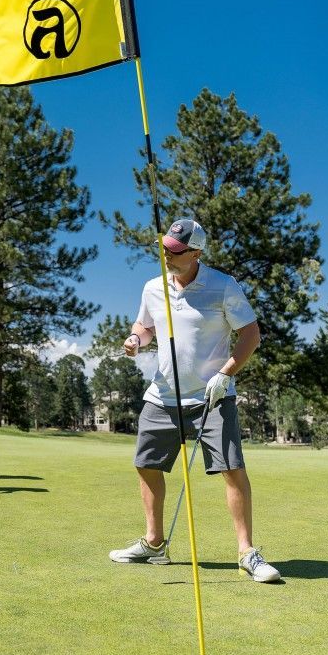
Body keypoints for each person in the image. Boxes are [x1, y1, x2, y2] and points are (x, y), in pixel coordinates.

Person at [109, 218, 281, 583]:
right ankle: (155, 543)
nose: (166, 256)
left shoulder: (223, 287)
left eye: (175, 252)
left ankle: (247, 552)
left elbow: (251, 334)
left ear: (196, 252)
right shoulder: (153, 287)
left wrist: (226, 374)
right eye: (165, 249)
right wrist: (135, 340)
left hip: (212, 395)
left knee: (231, 469)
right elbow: (146, 325)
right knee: (146, 464)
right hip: (162, 394)